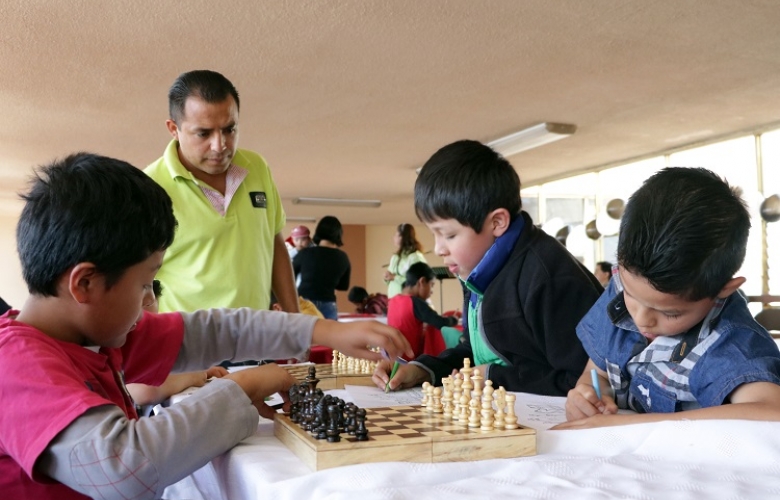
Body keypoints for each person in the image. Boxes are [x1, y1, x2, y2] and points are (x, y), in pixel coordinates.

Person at [0, 153, 412, 499]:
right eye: (145, 282)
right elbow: (121, 466)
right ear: (85, 283)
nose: (148, 301)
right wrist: (240, 387)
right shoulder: (15, 364)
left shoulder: (91, 335)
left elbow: (218, 330)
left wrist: (321, 331)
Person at [555, 167, 780, 430]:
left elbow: (772, 412)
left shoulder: (729, 344)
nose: (641, 319)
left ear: (723, 289)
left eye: (670, 313)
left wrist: (630, 426)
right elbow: (597, 373)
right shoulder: (619, 289)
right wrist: (589, 395)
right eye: (630, 294)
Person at [373, 140, 603, 395]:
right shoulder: (480, 272)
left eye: (448, 235)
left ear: (497, 222)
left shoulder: (549, 279)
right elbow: (477, 352)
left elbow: (586, 382)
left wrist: (496, 377)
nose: (439, 249)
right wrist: (423, 369)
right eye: (435, 235)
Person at [145, 70, 299, 314]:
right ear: (173, 128)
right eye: (203, 133)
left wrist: (295, 322)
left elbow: (274, 244)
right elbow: (135, 280)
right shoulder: (148, 187)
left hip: (256, 338)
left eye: (229, 129)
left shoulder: (257, 167)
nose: (220, 145)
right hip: (187, 343)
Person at [126, 280, 228, 414]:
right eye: (139, 325)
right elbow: (146, 391)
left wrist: (198, 370)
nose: (146, 334)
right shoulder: (114, 349)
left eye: (152, 324)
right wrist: (195, 375)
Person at [387, 262, 459, 360]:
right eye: (431, 285)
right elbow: (440, 322)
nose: (431, 291)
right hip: (408, 360)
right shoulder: (415, 302)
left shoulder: (393, 300)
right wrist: (454, 319)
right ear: (422, 281)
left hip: (392, 357)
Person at [293, 216, 351, 320]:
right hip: (328, 303)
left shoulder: (306, 253)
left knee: (304, 335)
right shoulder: (343, 257)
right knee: (329, 336)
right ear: (339, 234)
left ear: (318, 232)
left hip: (305, 302)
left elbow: (289, 274)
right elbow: (343, 286)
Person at [384, 223, 427, 297]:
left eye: (396, 235)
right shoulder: (395, 257)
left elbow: (417, 282)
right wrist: (386, 277)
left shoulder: (415, 257)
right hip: (393, 299)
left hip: (407, 299)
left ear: (402, 237)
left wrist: (395, 277)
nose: (393, 237)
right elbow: (389, 278)